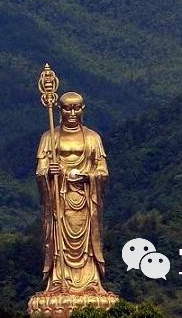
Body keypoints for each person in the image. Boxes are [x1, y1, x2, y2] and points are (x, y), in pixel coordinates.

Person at [34, 91, 110, 295]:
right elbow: (40, 171)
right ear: (60, 110)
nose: (72, 112)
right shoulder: (49, 137)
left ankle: (90, 282)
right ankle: (59, 280)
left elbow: (103, 171)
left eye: (77, 107)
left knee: (87, 245)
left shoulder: (93, 138)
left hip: (85, 200)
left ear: (83, 109)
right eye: (67, 108)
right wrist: (50, 172)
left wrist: (88, 176)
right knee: (59, 243)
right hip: (60, 199)